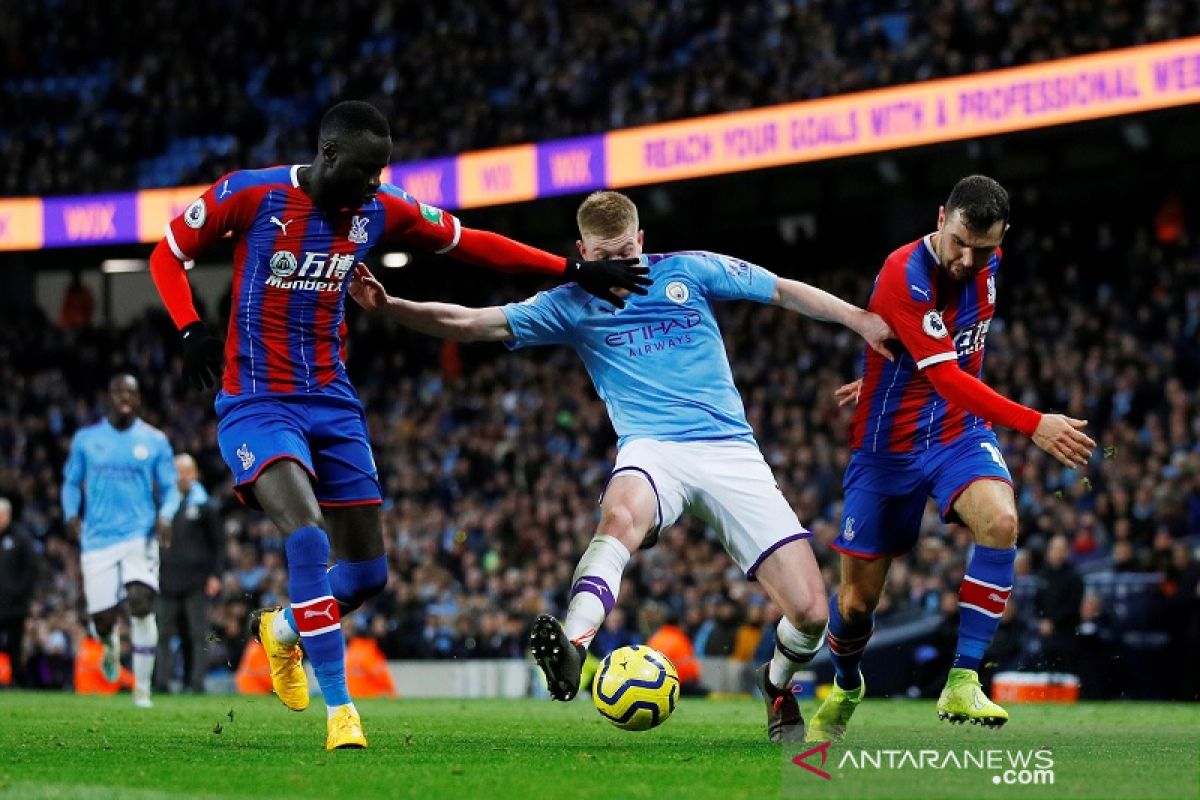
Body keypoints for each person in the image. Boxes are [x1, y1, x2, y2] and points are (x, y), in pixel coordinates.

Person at [147, 100, 650, 750]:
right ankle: (341, 713)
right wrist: (188, 327)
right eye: (364, 171)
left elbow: (474, 246)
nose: (375, 184)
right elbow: (167, 254)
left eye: (382, 171)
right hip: (257, 402)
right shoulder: (250, 194)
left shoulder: (380, 210)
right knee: (305, 535)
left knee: (366, 577)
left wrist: (573, 269)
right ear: (329, 155)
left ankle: (282, 632)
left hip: (333, 402)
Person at [348, 189, 893, 742]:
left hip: (730, 451)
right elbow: (472, 323)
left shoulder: (690, 271)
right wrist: (391, 308)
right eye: (603, 258)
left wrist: (860, 320)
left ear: (641, 241)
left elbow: (779, 289)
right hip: (651, 448)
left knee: (809, 614)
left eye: (625, 254)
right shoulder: (572, 302)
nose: (617, 266)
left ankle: (776, 686)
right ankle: (575, 645)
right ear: (581, 250)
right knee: (620, 516)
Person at [808, 175, 1096, 742]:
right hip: (885, 451)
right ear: (941, 218)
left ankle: (964, 678)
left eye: (984, 248)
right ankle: (845, 684)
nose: (968, 258)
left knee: (1003, 520)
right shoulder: (903, 273)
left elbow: (948, 354)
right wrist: (1035, 423)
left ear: (1001, 237)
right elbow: (945, 373)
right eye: (960, 240)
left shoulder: (988, 259)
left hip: (956, 432)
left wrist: (885, 371)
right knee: (857, 603)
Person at [62, 374, 180, 708]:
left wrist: (166, 515)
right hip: (97, 538)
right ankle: (110, 647)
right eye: (119, 391)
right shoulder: (87, 440)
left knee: (142, 603)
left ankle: (142, 689)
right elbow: (71, 482)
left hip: (139, 536)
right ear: (108, 397)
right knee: (102, 620)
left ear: (139, 399)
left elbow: (170, 488)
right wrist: (71, 513)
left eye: (132, 391)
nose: (125, 397)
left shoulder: (155, 441)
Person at [154, 453, 223, 694]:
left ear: (195, 474)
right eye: (177, 471)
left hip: (196, 580)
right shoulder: (163, 505)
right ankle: (160, 682)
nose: (181, 476)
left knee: (195, 634)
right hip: (165, 579)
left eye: (186, 471)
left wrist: (216, 575)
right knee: (162, 634)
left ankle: (195, 682)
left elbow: (218, 544)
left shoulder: (206, 505)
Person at [0, 497, 37, 687]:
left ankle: (19, 682)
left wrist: (19, 591)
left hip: (15, 607)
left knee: (14, 647)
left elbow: (30, 569)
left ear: (7, 515)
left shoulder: (20, 537)